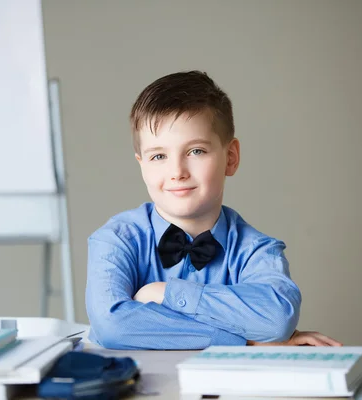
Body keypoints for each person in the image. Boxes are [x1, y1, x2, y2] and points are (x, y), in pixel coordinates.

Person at [85, 71, 341, 350]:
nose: (177, 172)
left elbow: (278, 319)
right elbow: (112, 326)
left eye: (195, 151)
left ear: (230, 158)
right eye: (159, 156)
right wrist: (246, 341)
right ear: (142, 165)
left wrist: (165, 293)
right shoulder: (116, 240)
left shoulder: (256, 249)